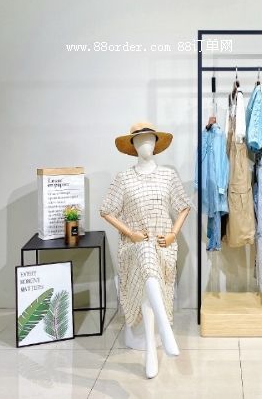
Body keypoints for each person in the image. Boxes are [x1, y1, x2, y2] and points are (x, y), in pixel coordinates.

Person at [100, 121, 191, 379]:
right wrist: (130, 233)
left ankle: (152, 346)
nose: (146, 143)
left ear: (156, 143)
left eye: (150, 139)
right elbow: (106, 210)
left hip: (163, 246)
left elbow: (184, 206)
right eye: (140, 140)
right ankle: (162, 332)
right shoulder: (124, 178)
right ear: (132, 145)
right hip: (133, 246)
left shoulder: (168, 176)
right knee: (144, 252)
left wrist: (173, 234)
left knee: (149, 255)